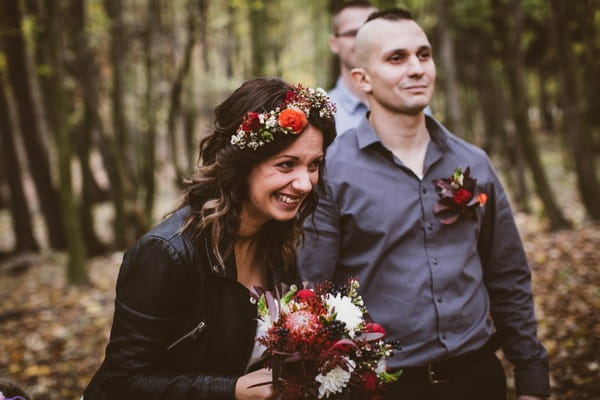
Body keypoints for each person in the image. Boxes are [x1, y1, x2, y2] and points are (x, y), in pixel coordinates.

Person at [298, 8, 549, 400]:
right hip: (385, 387)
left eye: (424, 54)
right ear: (362, 79)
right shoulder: (332, 171)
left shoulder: (473, 163)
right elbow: (314, 287)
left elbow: (508, 276)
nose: (416, 68)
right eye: (396, 58)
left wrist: (532, 377)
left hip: (478, 378)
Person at [83, 77, 336, 400]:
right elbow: (121, 383)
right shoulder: (166, 254)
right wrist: (228, 390)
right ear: (241, 165)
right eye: (286, 165)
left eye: (314, 165)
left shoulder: (280, 243)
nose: (305, 183)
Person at [327, 1, 377, 135]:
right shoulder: (320, 114)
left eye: (370, 32)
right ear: (334, 44)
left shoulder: (411, 106)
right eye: (353, 33)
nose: (362, 40)